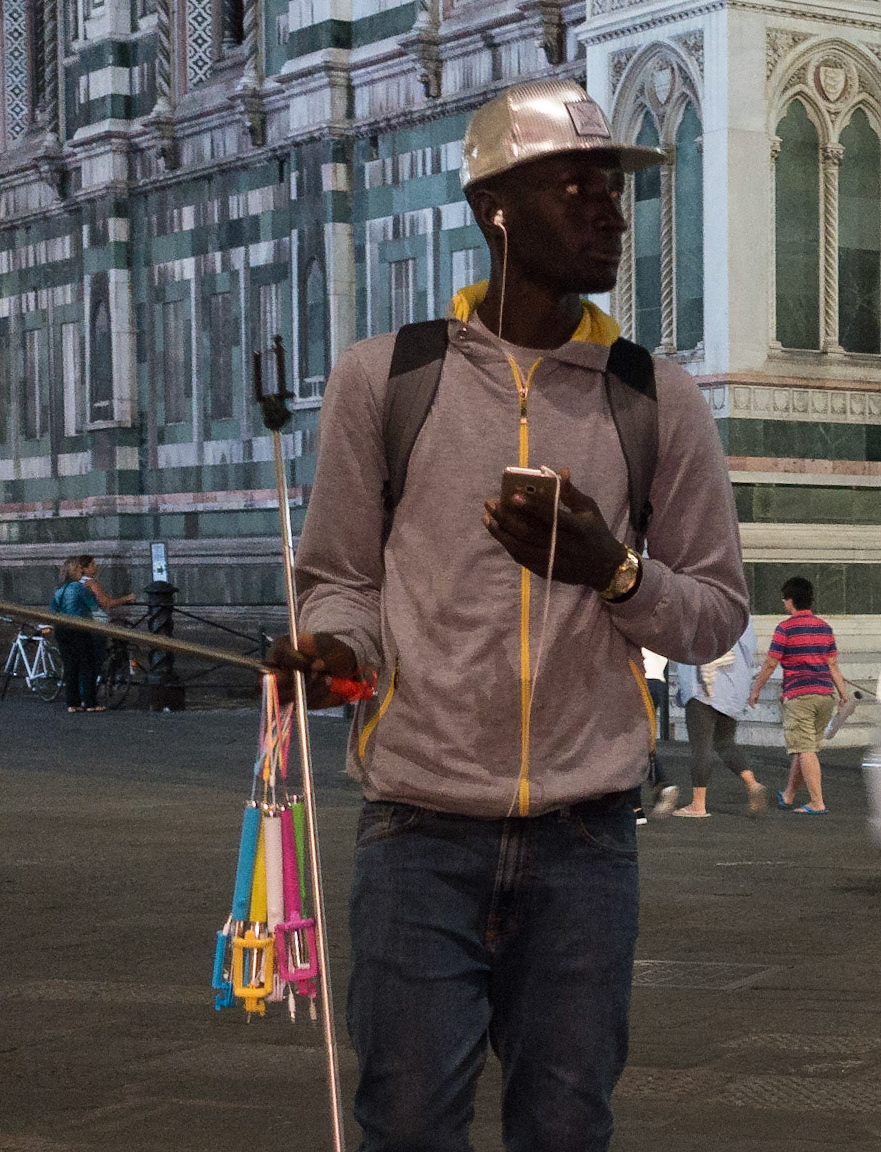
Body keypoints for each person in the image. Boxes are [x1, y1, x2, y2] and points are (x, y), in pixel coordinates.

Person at [269, 79, 748, 1152]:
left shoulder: (656, 400)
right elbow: (340, 576)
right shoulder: (386, 381)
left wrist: (612, 570)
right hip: (417, 832)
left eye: (615, 192)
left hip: (587, 841)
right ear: (496, 207)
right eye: (577, 186)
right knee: (407, 1126)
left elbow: (715, 615)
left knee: (567, 1130)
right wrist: (336, 650)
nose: (609, 213)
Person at [748, 576, 848, 815]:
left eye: (784, 599)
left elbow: (772, 663)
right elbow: (832, 664)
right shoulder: (824, 627)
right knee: (806, 747)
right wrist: (842, 693)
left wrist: (756, 689)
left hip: (799, 694)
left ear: (790, 601)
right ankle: (788, 794)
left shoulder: (785, 628)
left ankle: (817, 802)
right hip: (824, 694)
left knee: (804, 749)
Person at [672, 620, 766, 817]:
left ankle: (698, 805)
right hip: (732, 689)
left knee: (701, 747)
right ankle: (752, 783)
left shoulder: (702, 610)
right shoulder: (742, 618)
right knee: (725, 743)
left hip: (703, 688)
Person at [50, 557, 104, 712]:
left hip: (62, 629)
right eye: (80, 570)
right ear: (74, 571)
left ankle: (72, 703)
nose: (82, 572)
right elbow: (93, 605)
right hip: (79, 628)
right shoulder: (79, 588)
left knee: (70, 666)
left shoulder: (59, 589)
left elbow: (53, 609)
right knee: (87, 665)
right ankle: (90, 702)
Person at [638, 648, 679, 822]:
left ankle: (635, 807)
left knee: (632, 742)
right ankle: (660, 784)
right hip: (657, 679)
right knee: (643, 741)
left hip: (638, 677)